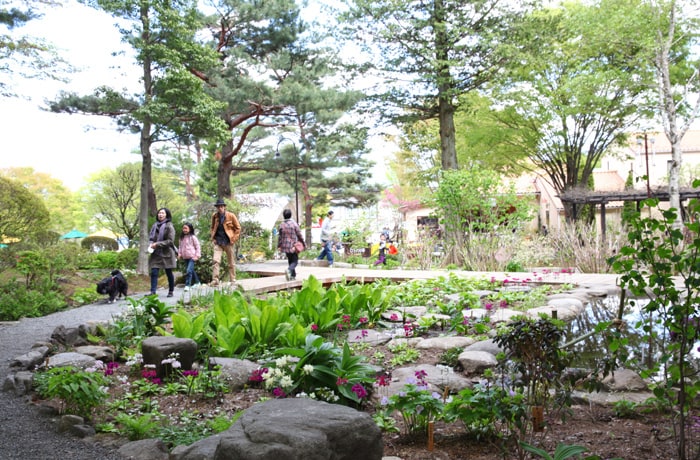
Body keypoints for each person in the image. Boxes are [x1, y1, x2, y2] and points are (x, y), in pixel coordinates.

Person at [209, 198, 241, 286]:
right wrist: (213, 238)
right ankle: (215, 280)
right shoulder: (215, 216)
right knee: (216, 261)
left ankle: (233, 279)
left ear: (224, 207)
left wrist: (233, 239)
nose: (220, 208)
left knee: (231, 262)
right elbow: (212, 228)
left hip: (228, 241)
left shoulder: (231, 216)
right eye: (218, 207)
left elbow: (238, 228)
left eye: (221, 206)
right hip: (218, 242)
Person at [148, 207, 177, 297]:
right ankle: (153, 292)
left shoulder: (169, 226)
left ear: (166, 215)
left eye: (163, 213)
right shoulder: (155, 225)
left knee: (168, 272)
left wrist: (157, 244)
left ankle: (171, 291)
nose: (160, 215)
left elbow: (170, 241)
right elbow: (151, 238)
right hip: (156, 253)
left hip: (167, 253)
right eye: (159, 213)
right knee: (154, 272)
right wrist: (150, 244)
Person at [277, 209, 305, 281]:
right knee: (295, 261)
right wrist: (303, 243)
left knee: (290, 260)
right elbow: (299, 235)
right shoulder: (294, 224)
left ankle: (292, 276)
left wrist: (279, 246)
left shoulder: (281, 225)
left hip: (285, 246)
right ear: (290, 215)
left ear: (284, 216)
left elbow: (280, 237)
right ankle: (289, 270)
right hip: (293, 246)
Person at [178, 222, 201, 291]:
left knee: (188, 271)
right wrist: (179, 253)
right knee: (191, 270)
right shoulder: (181, 238)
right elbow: (180, 247)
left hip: (192, 257)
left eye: (186, 228)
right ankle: (197, 282)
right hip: (185, 257)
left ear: (190, 229)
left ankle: (187, 285)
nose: (184, 230)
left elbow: (198, 246)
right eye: (183, 228)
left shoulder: (193, 237)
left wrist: (197, 255)